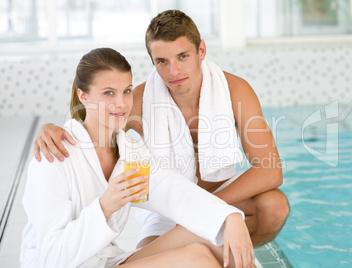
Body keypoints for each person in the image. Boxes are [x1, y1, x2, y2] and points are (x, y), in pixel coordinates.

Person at [33, 10, 289, 249]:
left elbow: (270, 170)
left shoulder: (234, 91)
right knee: (151, 256)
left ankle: (228, 250)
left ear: (201, 50)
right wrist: (50, 127)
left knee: (275, 207)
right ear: (152, 61)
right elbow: (94, 121)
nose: (174, 71)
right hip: (168, 210)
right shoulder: (142, 99)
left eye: (183, 56)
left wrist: (205, 208)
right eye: (162, 61)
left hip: (223, 195)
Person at [21, 47, 255, 268]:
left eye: (126, 91)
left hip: (108, 261)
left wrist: (231, 217)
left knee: (217, 240)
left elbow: (174, 191)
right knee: (199, 259)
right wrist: (105, 207)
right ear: (83, 96)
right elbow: (51, 258)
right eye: (108, 93)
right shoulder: (52, 157)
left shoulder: (130, 151)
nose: (121, 103)